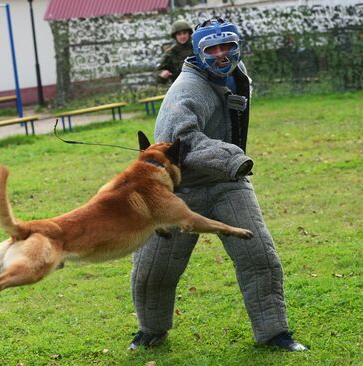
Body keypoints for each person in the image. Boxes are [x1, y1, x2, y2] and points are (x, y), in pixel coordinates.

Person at [129, 18, 308, 352]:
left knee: (259, 257)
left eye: (227, 46)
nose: (222, 54)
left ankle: (274, 333)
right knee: (154, 269)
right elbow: (181, 140)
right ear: (198, 51)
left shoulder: (236, 77)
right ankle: (150, 331)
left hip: (228, 184)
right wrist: (230, 158)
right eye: (212, 49)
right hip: (179, 190)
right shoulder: (186, 90)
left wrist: (229, 167)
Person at [154, 19, 194, 84]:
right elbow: (157, 72)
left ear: (189, 34)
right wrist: (162, 75)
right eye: (179, 34)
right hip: (179, 86)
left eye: (184, 33)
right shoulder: (170, 53)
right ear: (175, 36)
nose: (182, 36)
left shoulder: (197, 48)